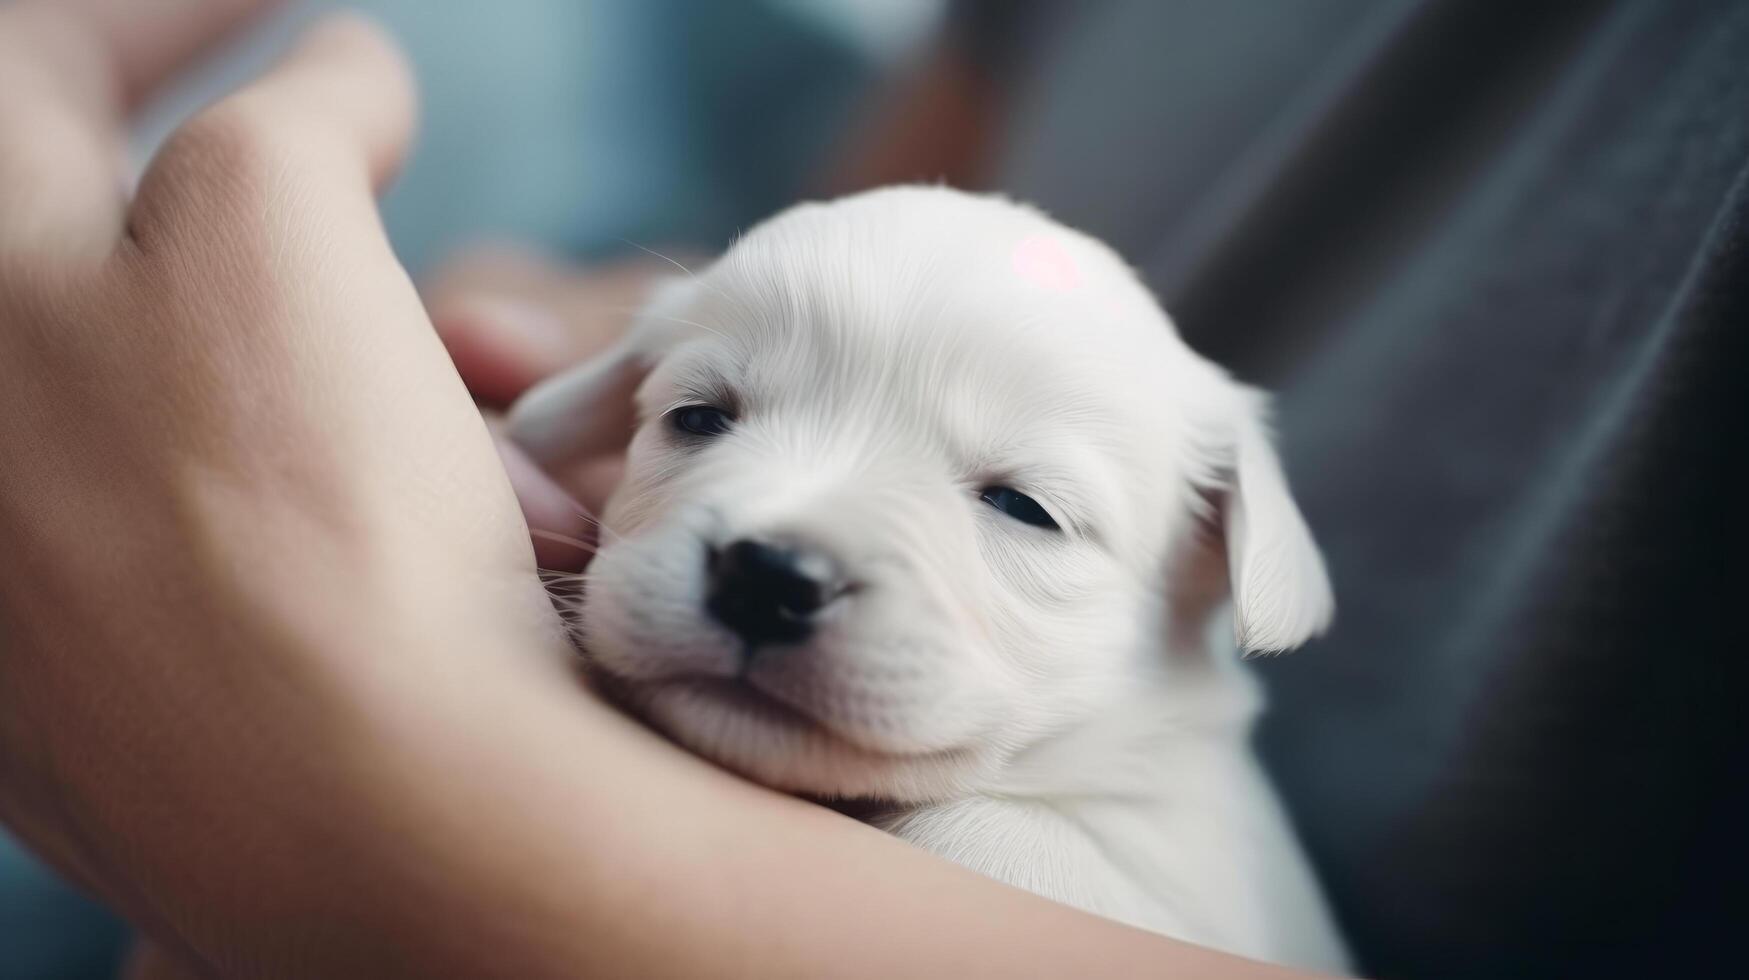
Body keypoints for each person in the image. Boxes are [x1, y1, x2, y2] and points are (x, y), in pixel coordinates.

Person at [0, 2, 1327, 976]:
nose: (776, 543)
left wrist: (408, 815)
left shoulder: (1101, 861)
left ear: (1214, 562)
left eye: (1022, 506)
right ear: (604, 408)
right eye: (703, 416)